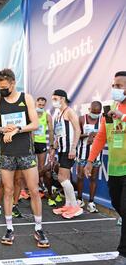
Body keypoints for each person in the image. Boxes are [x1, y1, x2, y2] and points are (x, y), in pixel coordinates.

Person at [0, 68, 49, 248]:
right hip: (6, 153)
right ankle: (9, 228)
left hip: (25, 151)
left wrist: (17, 129)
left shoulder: (27, 98)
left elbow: (35, 123)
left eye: (4, 86)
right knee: (7, 190)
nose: (1, 89)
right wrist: (2, 129)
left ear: (13, 83)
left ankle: (39, 229)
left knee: (33, 189)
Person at [85, 71, 126, 265]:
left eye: (119, 86)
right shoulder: (111, 110)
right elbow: (101, 137)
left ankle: (124, 255)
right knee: (119, 205)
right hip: (116, 169)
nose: (115, 89)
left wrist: (124, 117)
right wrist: (90, 161)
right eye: (114, 85)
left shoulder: (121, 112)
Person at [50, 90, 82, 219]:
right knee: (65, 178)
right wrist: (54, 148)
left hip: (69, 149)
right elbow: (59, 133)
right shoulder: (58, 113)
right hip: (62, 149)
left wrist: (73, 148)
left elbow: (78, 130)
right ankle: (68, 204)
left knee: (61, 178)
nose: (53, 101)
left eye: (55, 98)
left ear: (62, 98)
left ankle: (75, 206)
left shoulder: (70, 111)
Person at [75, 101, 103, 213]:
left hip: (96, 154)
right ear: (89, 109)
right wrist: (88, 135)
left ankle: (91, 202)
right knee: (80, 177)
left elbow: (105, 135)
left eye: (98, 112)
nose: (95, 114)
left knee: (93, 178)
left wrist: (95, 135)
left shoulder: (102, 120)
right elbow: (76, 135)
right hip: (83, 153)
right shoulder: (82, 119)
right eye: (93, 111)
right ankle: (79, 199)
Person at [34, 97, 54, 202]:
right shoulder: (31, 114)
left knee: (41, 167)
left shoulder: (47, 116)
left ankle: (40, 186)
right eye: (39, 104)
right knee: (29, 166)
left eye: (42, 105)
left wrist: (51, 145)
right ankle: (29, 187)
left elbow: (51, 130)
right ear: (36, 103)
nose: (40, 106)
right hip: (32, 143)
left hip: (41, 142)